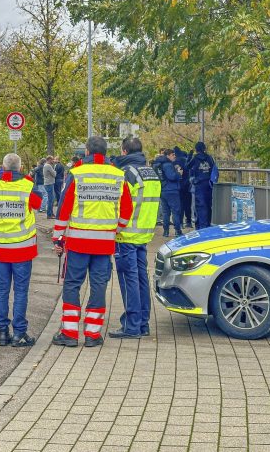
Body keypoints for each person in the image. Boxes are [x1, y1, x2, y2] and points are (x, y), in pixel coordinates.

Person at [51, 136, 132, 348]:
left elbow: (64, 207)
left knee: (72, 285)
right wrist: (116, 230)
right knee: (98, 286)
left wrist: (58, 237)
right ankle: (92, 334)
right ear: (105, 153)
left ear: (87, 151)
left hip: (78, 242)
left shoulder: (77, 173)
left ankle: (69, 333)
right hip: (104, 244)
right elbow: (126, 211)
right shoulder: (118, 175)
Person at [0, 153, 43, 347]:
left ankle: (2, 332)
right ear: (20, 167)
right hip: (22, 247)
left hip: (0, 246)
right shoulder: (27, 185)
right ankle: (19, 333)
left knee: (2, 289)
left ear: (2, 166)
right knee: (20, 291)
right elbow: (38, 203)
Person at [111, 137, 160, 339]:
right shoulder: (151, 172)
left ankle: (132, 325)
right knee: (141, 278)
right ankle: (143, 323)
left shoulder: (127, 174)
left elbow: (121, 204)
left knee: (128, 279)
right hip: (144, 233)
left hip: (126, 234)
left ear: (124, 152)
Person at [187, 141, 217, 229]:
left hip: (199, 184)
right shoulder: (209, 158)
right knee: (208, 205)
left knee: (200, 205)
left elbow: (187, 166)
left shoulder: (195, 158)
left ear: (196, 149)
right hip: (209, 184)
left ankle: (201, 226)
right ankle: (208, 224)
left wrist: (189, 156)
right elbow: (213, 168)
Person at [160, 149, 183, 238]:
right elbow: (172, 176)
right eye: (173, 155)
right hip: (172, 191)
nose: (174, 156)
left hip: (163, 190)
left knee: (166, 212)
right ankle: (177, 231)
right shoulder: (168, 165)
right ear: (168, 156)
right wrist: (179, 173)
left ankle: (166, 231)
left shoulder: (161, 164)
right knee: (176, 211)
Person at [173, 146, 192, 228]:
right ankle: (188, 221)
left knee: (179, 205)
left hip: (178, 186)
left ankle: (180, 223)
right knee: (188, 204)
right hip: (187, 185)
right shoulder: (185, 160)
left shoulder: (173, 162)